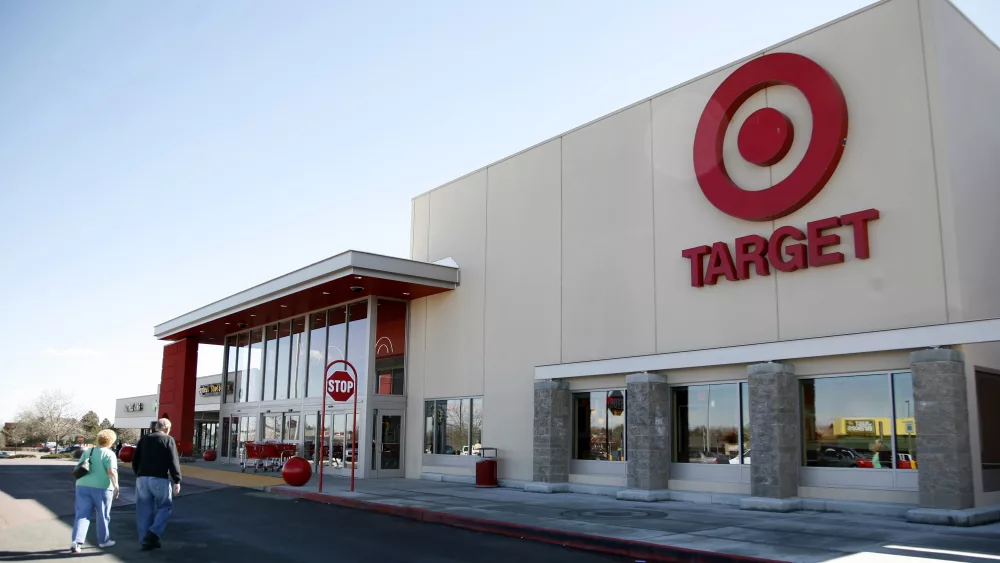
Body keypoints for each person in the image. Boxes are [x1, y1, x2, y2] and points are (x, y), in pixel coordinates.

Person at [132, 418, 182, 551]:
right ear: (167, 428)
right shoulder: (168, 439)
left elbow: (135, 459)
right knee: (165, 506)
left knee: (143, 510)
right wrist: (177, 480)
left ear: (156, 427)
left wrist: (138, 473)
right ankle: (153, 533)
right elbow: (173, 461)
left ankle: (144, 540)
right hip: (159, 478)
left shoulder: (144, 439)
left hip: (142, 478)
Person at [71, 429, 120, 553]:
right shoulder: (109, 454)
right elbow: (111, 471)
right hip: (102, 487)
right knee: (103, 515)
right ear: (111, 441)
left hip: (82, 485)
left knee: (82, 514)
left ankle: (76, 542)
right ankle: (103, 541)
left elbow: (79, 467)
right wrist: (116, 486)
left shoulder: (88, 451)